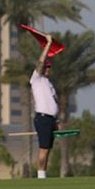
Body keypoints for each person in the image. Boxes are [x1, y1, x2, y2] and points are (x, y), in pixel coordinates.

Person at [31, 36, 60, 179]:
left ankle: (43, 174)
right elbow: (40, 61)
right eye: (46, 67)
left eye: (49, 67)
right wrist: (48, 44)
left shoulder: (49, 84)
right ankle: (40, 176)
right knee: (43, 148)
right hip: (42, 117)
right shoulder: (36, 79)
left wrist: (56, 121)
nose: (48, 69)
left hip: (50, 119)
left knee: (47, 149)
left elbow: (54, 103)